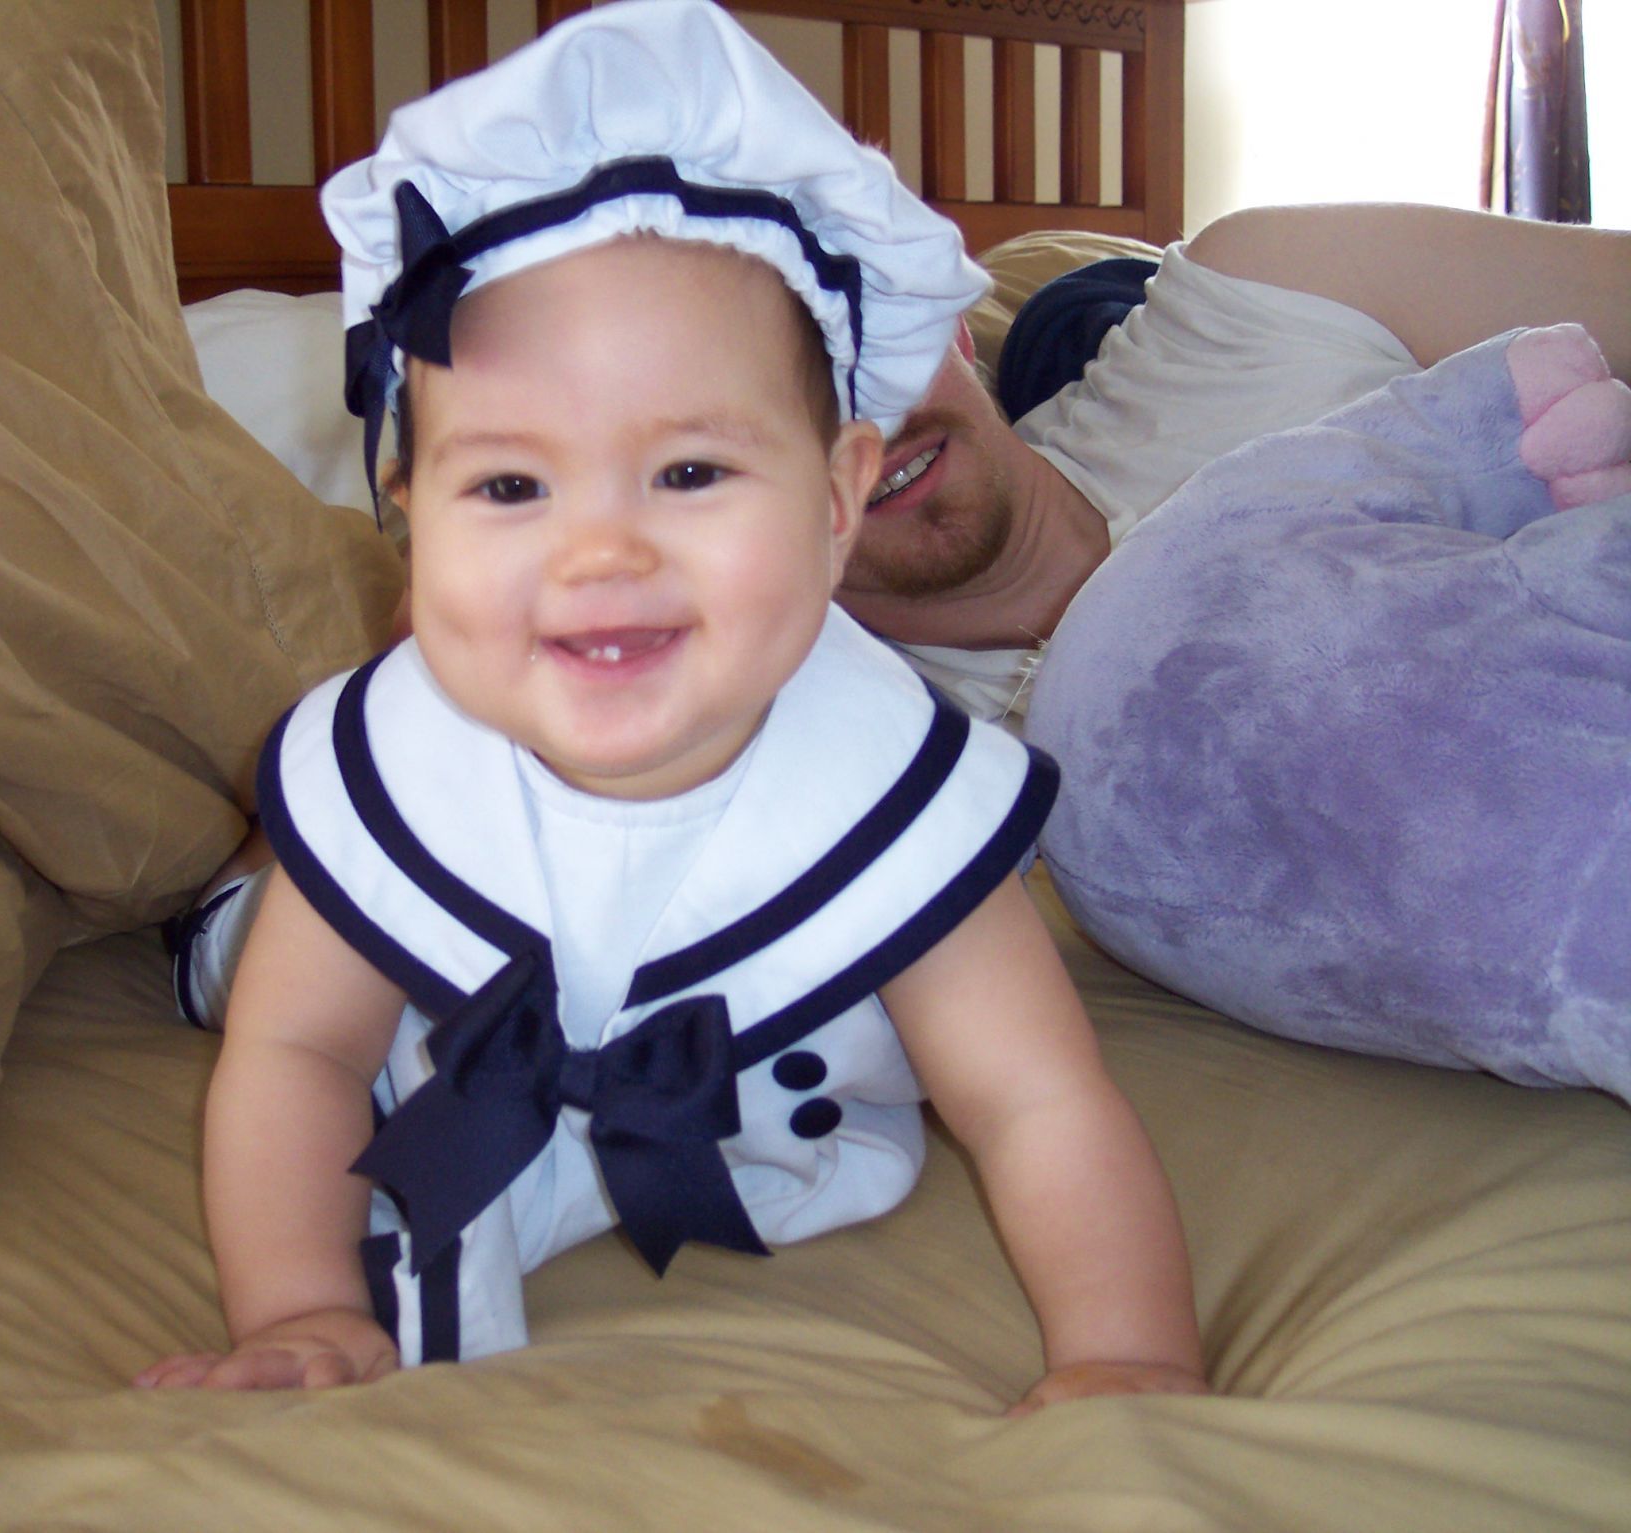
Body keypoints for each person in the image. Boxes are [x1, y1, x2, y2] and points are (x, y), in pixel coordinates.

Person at [136, 0, 1207, 1415]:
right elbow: (300, 1052)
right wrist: (305, 1308)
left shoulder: (883, 784)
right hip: (433, 1067)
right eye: (508, 486)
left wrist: (1128, 1351)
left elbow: (1035, 1100)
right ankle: (229, 879)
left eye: (689, 473)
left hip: (772, 1125)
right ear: (409, 514)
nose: (599, 554)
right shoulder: (403, 761)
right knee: (261, 954)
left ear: (837, 500)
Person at [838, 203, 1631, 718]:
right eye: (780, 417)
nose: (859, 428)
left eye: (843, 349)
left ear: (944, 325)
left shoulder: (1260, 284)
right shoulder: (889, 767)